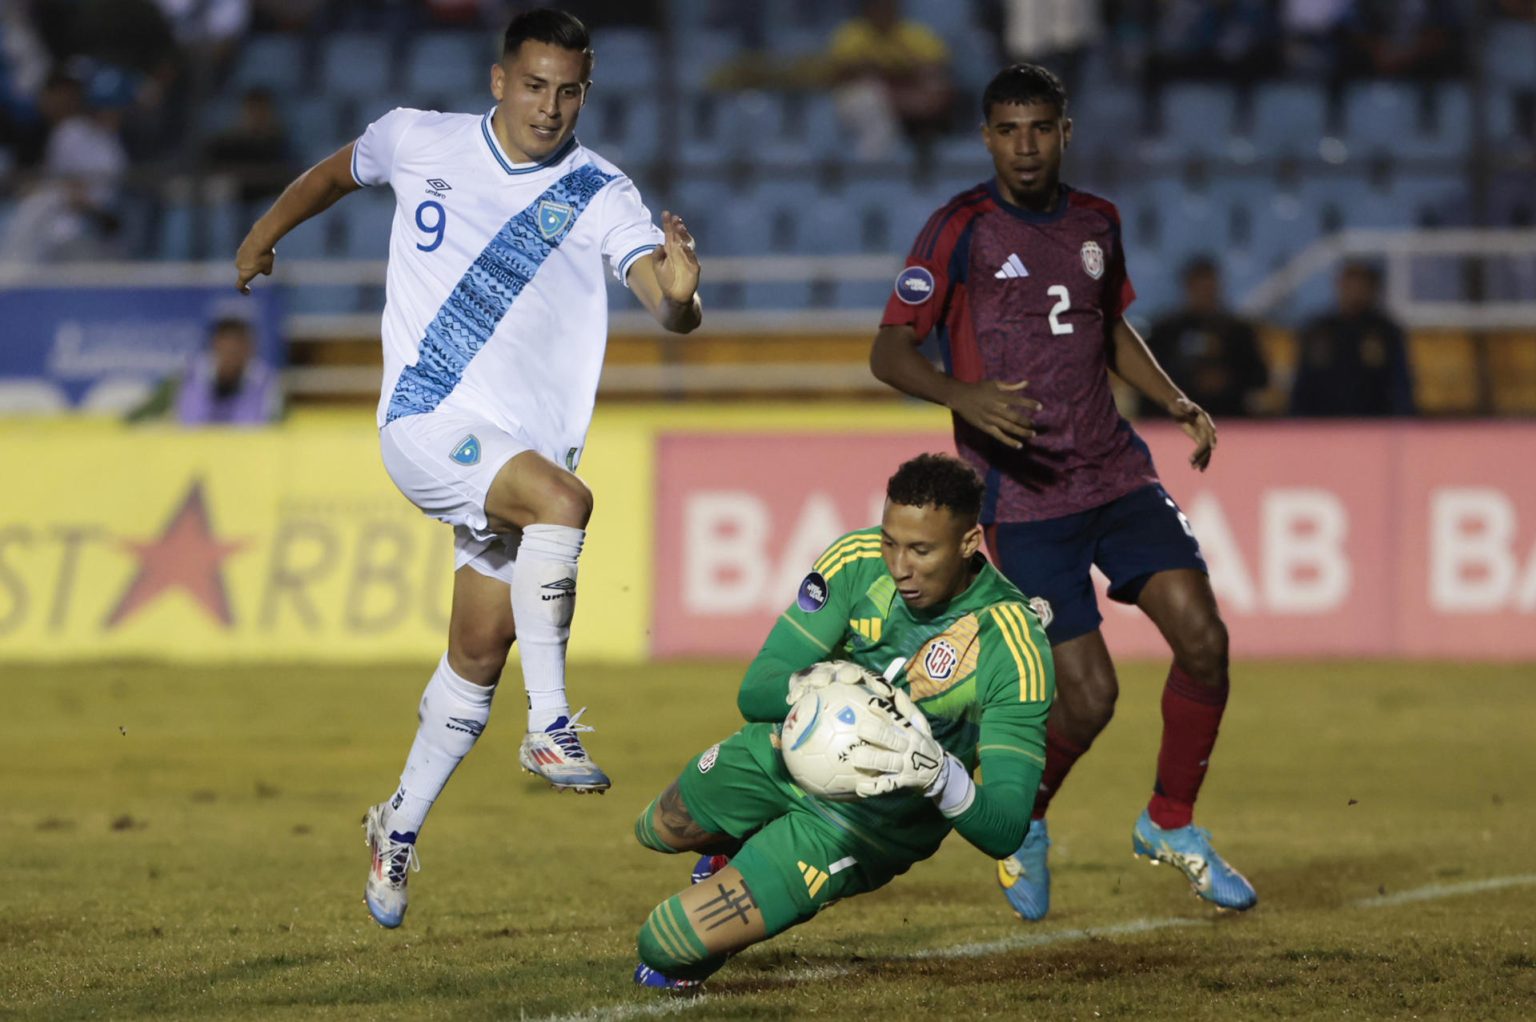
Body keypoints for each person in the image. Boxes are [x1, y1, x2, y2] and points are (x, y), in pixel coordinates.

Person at [233, 8, 702, 929]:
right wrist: (263, 232)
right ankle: (552, 727)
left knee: (477, 655)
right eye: (534, 86)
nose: (550, 107)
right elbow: (337, 171)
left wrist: (682, 303)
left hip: (512, 458)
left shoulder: (601, 190)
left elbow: (660, 294)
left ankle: (394, 827)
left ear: (585, 91)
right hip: (424, 419)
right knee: (567, 501)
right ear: (500, 81)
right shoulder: (420, 139)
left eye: (569, 91)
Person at [868, 63, 1256, 923]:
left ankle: (1171, 822)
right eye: (1008, 129)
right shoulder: (958, 228)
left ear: (1065, 131)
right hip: (1023, 497)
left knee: (1205, 639)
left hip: (1115, 473)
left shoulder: (1097, 221)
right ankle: (1027, 821)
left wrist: (1176, 399)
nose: (1026, 145)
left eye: (1040, 127)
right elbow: (889, 353)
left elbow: (1109, 327)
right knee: (1090, 696)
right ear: (986, 137)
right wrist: (964, 398)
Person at [630, 453, 1053, 990]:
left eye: (921, 550)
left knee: (663, 947)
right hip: (783, 753)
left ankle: (751, 880)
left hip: (866, 826)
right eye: (891, 542)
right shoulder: (856, 560)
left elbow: (1007, 828)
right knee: (657, 829)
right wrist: (806, 686)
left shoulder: (1015, 646)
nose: (899, 566)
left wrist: (940, 775)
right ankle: (733, 850)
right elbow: (755, 690)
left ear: (969, 543)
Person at [825, 0, 955, 160]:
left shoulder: (915, 34)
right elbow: (840, 75)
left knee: (935, 86)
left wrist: (886, 73)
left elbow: (936, 70)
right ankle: (872, 169)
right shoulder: (852, 34)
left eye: (888, 5)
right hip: (859, 101)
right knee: (871, 98)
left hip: (906, 97)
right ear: (868, 9)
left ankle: (925, 145)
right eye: (878, 6)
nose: (883, 10)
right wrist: (895, 79)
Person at [1145, 256, 1270, 418]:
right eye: (1199, 289)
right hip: (1177, 418)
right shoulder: (1165, 331)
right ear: (1187, 288)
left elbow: (1260, 376)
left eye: (1210, 289)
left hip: (1231, 415)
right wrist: (1191, 381)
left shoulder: (1239, 331)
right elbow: (1150, 377)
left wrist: (1227, 380)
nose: (1205, 295)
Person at [1289, 260, 1415, 417]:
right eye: (1350, 284)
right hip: (1322, 426)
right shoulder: (1318, 331)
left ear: (1373, 289)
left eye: (1362, 285)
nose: (1356, 291)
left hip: (1374, 425)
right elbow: (1302, 386)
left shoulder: (1386, 332)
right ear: (1339, 285)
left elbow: (1400, 387)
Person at [126, 315, 281, 425]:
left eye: (239, 350)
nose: (232, 358)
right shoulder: (183, 380)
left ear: (250, 350)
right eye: (227, 350)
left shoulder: (267, 386)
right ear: (214, 346)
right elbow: (135, 418)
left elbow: (284, 432)